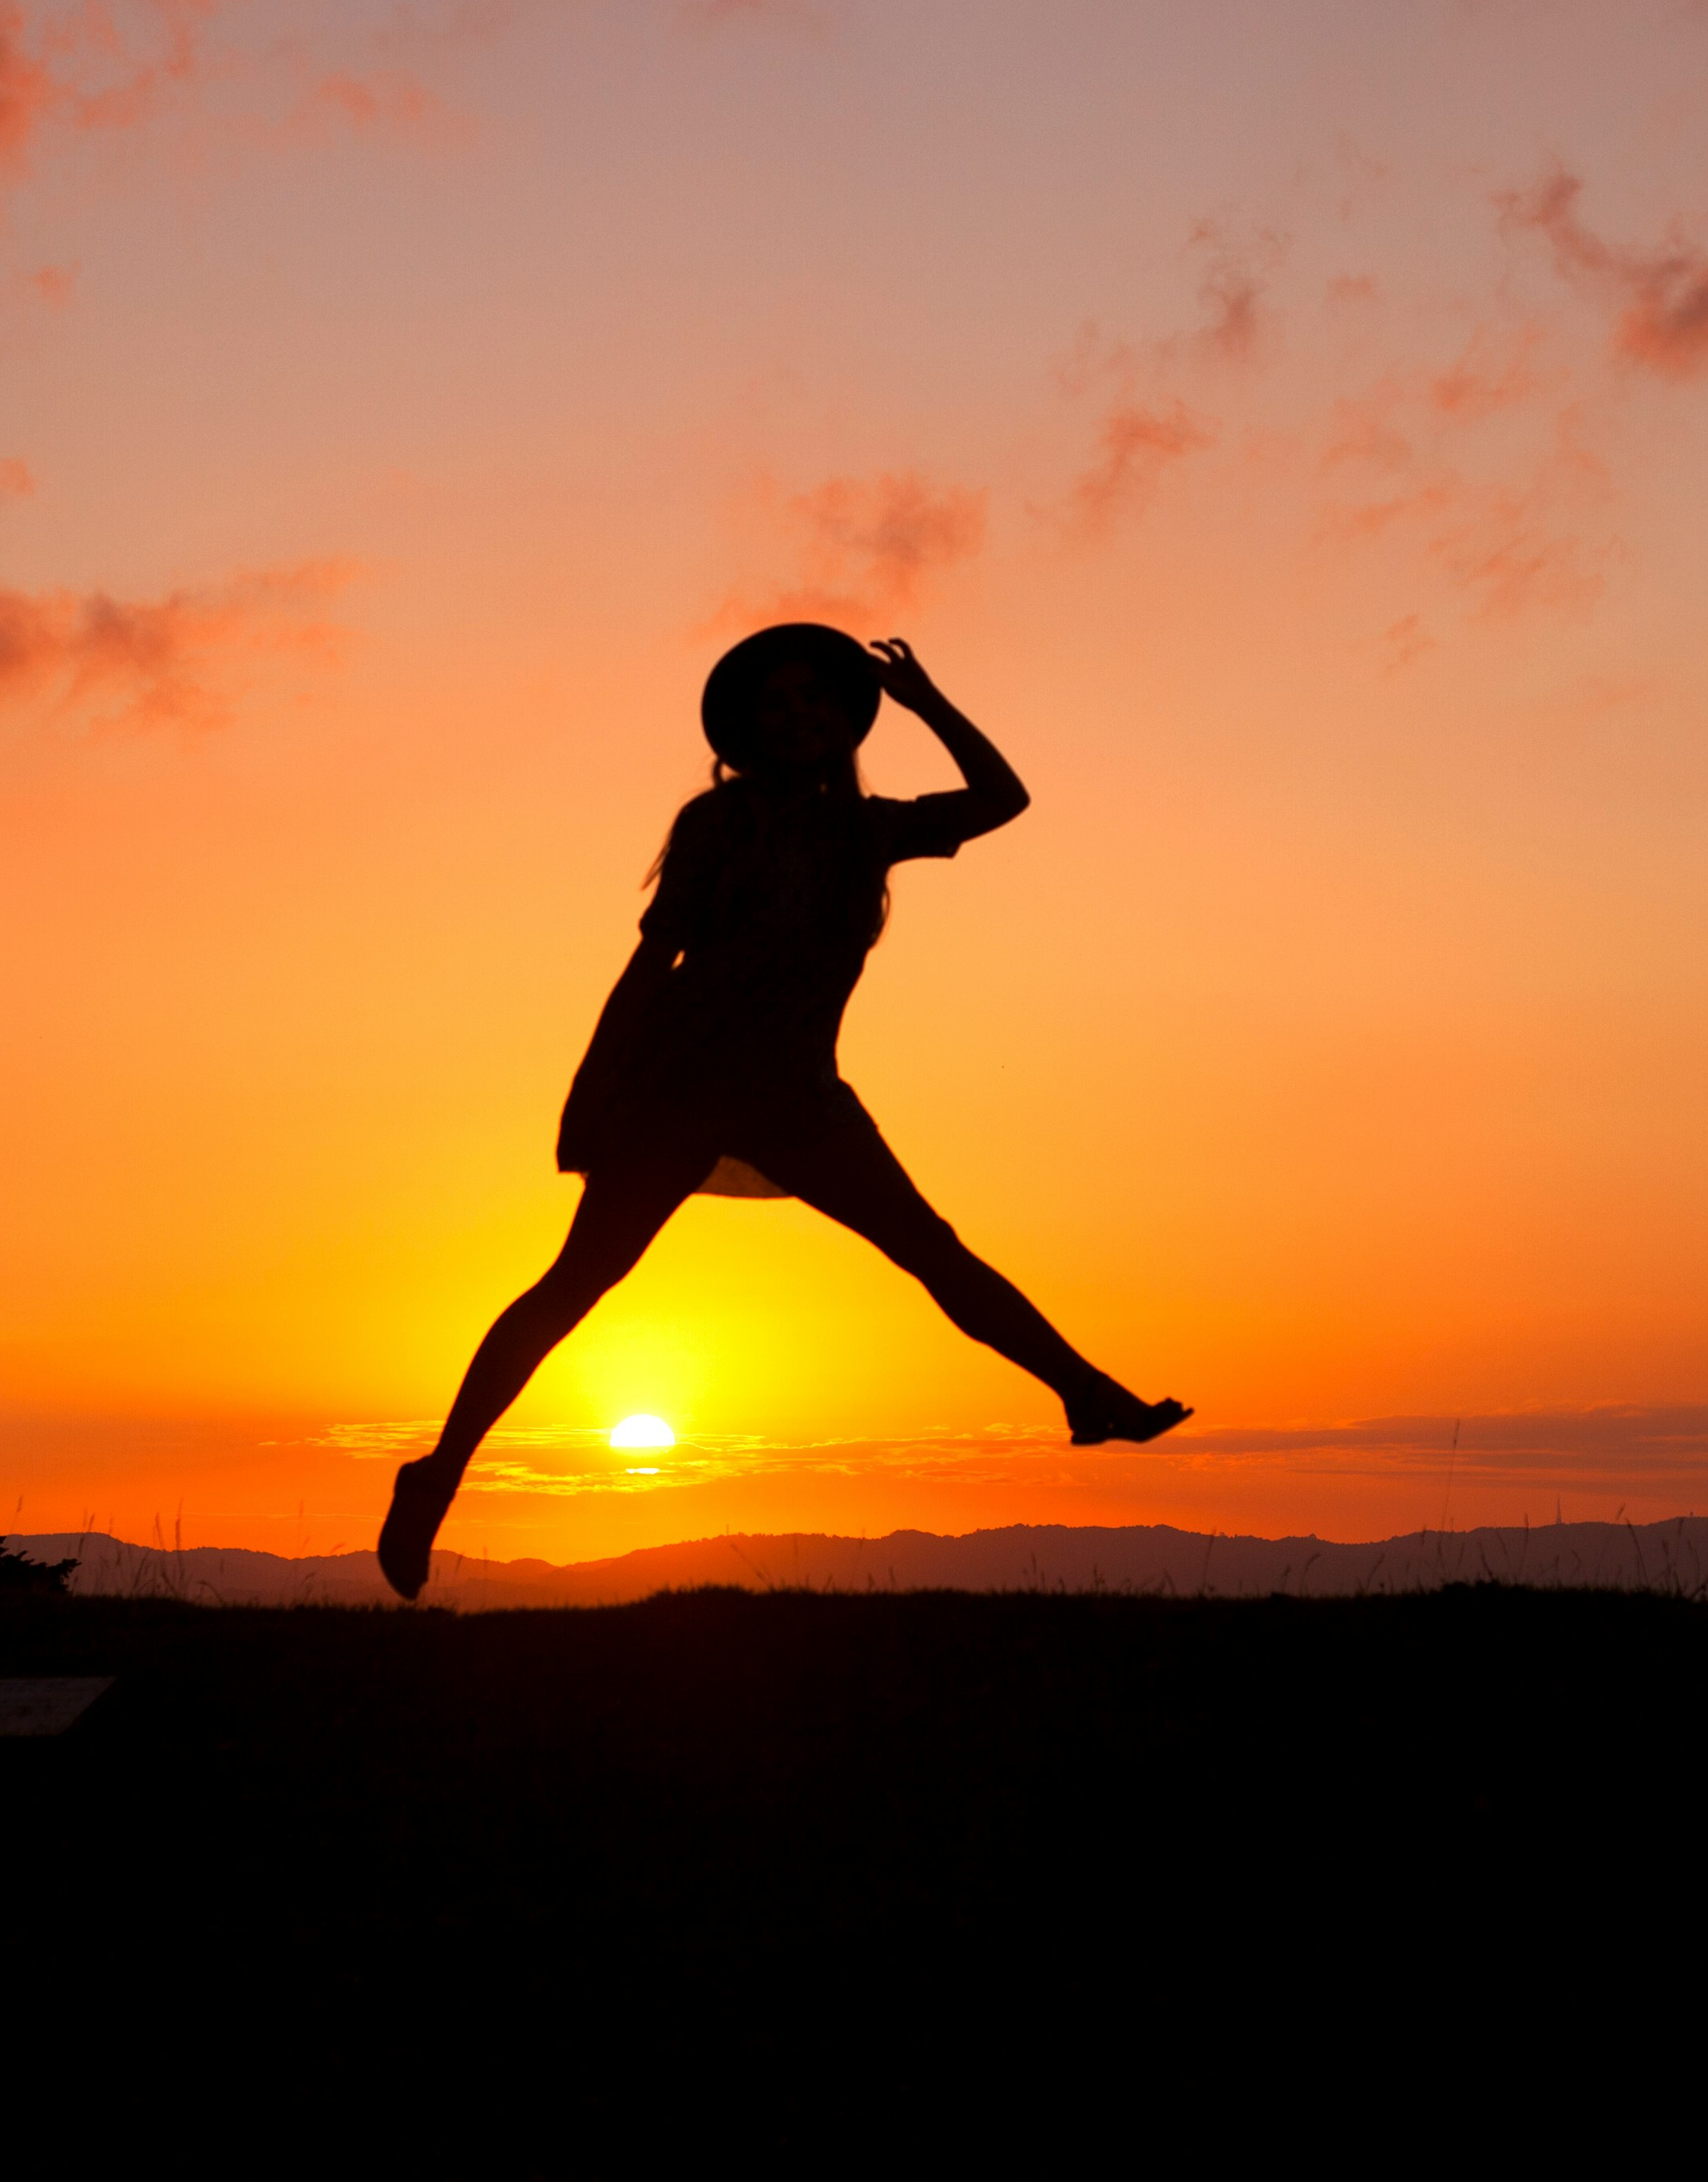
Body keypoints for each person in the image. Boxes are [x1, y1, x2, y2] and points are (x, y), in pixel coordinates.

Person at [378, 627, 1187, 1599]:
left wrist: (926, 701)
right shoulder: (720, 823)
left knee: (933, 1250)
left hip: (800, 1094)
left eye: (818, 702)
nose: (801, 716)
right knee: (578, 1284)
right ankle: (439, 1473)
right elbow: (654, 962)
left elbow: (1002, 799)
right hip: (681, 1087)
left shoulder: (867, 830)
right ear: (747, 731)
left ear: (846, 722)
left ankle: (1087, 1395)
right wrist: (595, 1091)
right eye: (779, 703)